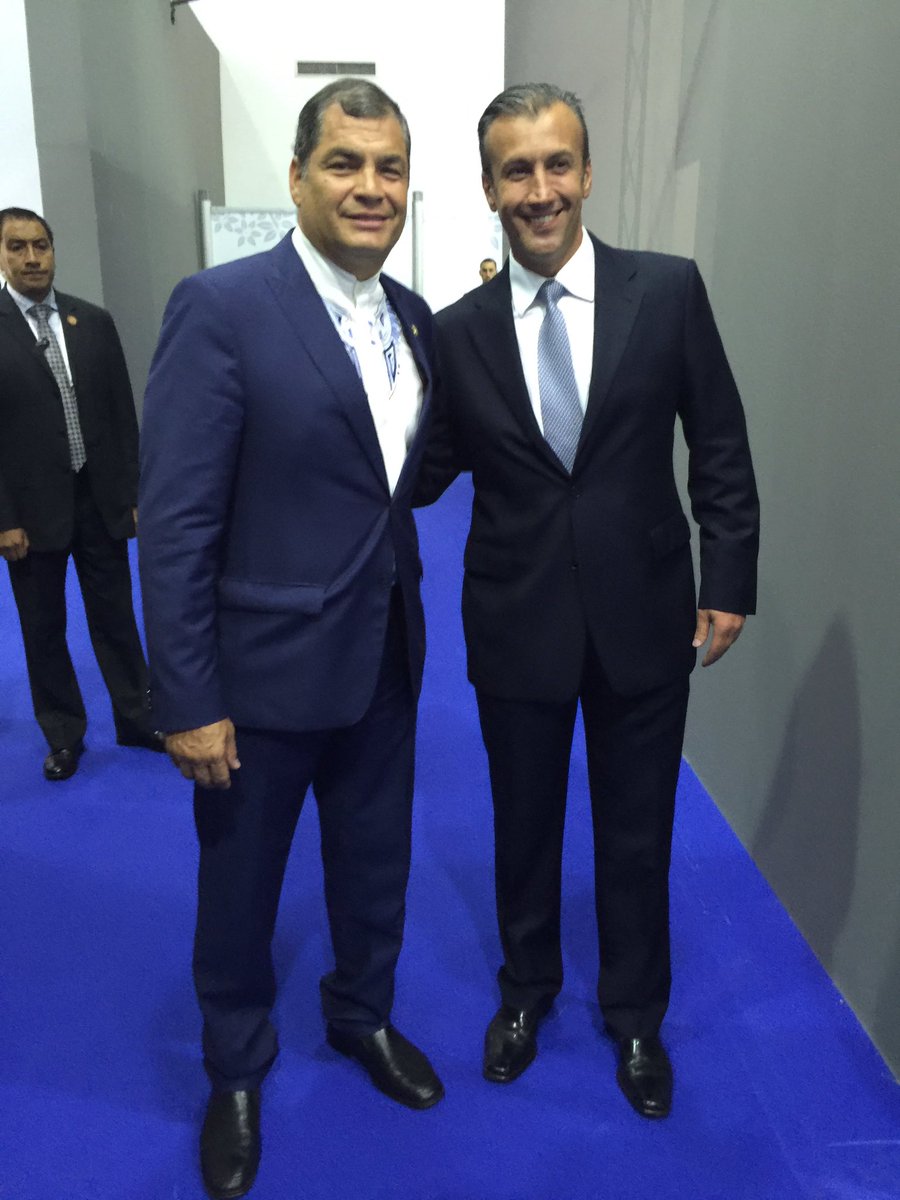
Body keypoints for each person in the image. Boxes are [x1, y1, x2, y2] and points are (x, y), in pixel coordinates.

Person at [417, 84, 759, 1119]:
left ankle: (636, 1015)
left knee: (637, 832)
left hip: (645, 613)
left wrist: (729, 577)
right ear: (489, 187)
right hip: (515, 618)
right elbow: (422, 471)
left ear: (589, 172)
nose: (541, 190)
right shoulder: (456, 332)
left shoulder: (669, 291)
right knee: (523, 828)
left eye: (557, 164)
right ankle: (526, 993)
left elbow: (720, 439)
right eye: (516, 170)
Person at [138, 79, 443, 1200]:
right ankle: (235, 1067)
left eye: (390, 167)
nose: (371, 187)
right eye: (345, 164)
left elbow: (392, 480)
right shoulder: (220, 308)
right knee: (241, 890)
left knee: (375, 866)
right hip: (257, 680)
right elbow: (176, 521)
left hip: (384, 657)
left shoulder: (411, 316)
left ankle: (362, 1015)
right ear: (298, 178)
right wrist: (187, 697)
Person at [0, 207, 162, 781]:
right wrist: (3, 517)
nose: (32, 258)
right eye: (17, 247)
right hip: (29, 513)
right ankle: (64, 735)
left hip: (100, 499)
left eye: (40, 245)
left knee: (116, 616)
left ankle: (138, 719)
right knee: (43, 629)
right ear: (1, 256)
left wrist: (134, 491)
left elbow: (122, 415)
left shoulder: (91, 320)